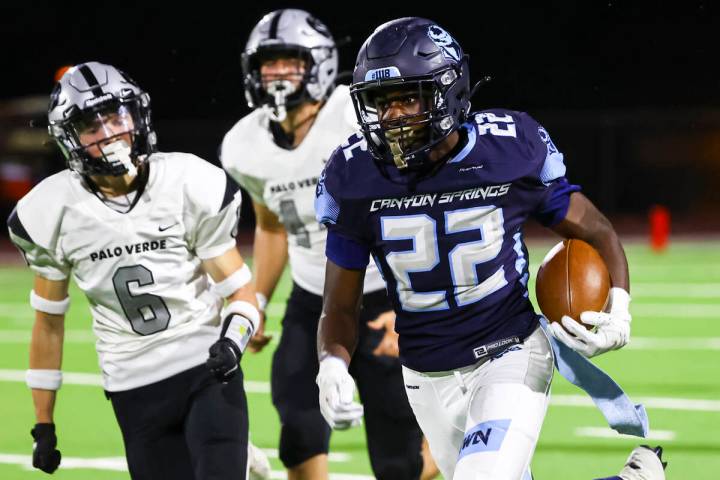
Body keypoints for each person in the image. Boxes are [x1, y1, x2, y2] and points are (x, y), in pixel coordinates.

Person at [314, 17, 667, 480]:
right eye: (380, 103)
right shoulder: (353, 176)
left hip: (510, 352)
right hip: (425, 375)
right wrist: (333, 363)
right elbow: (339, 305)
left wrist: (618, 307)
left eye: (406, 98)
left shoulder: (506, 151)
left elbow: (596, 231)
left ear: (448, 92)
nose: (392, 116)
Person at [7, 61, 270, 479]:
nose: (109, 133)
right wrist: (44, 423)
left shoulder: (186, 181)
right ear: (70, 140)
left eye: (115, 116)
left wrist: (233, 342)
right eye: (92, 127)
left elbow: (241, 293)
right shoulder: (52, 211)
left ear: (137, 115)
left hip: (205, 366)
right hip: (133, 385)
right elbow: (49, 324)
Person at [221, 9, 438, 480]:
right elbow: (273, 225)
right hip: (312, 296)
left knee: (398, 456)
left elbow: (420, 204)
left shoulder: (355, 115)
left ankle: (452, 446)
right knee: (297, 420)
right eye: (267, 64)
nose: (276, 74)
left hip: (385, 291)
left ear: (317, 63)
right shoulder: (243, 144)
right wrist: (256, 299)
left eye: (289, 62)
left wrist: (416, 303)